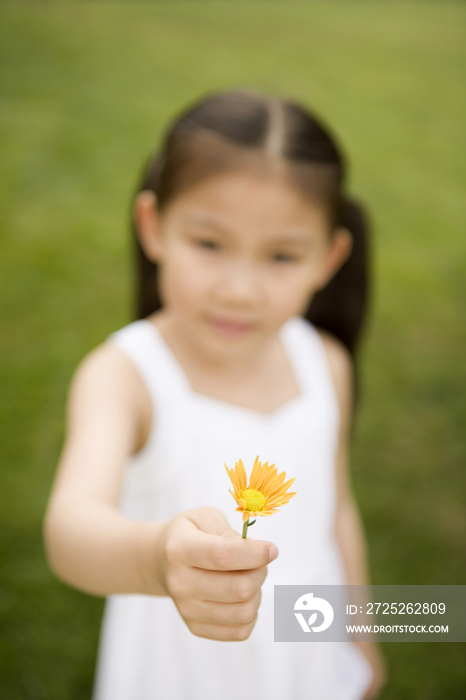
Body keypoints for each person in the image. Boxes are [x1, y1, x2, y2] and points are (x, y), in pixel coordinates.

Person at [43, 89, 388, 700]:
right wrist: (158, 559)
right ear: (153, 227)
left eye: (281, 255)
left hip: (305, 649)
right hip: (184, 666)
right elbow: (71, 529)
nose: (239, 289)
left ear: (327, 259)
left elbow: (336, 511)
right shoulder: (126, 377)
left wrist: (361, 635)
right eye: (209, 244)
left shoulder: (324, 362)